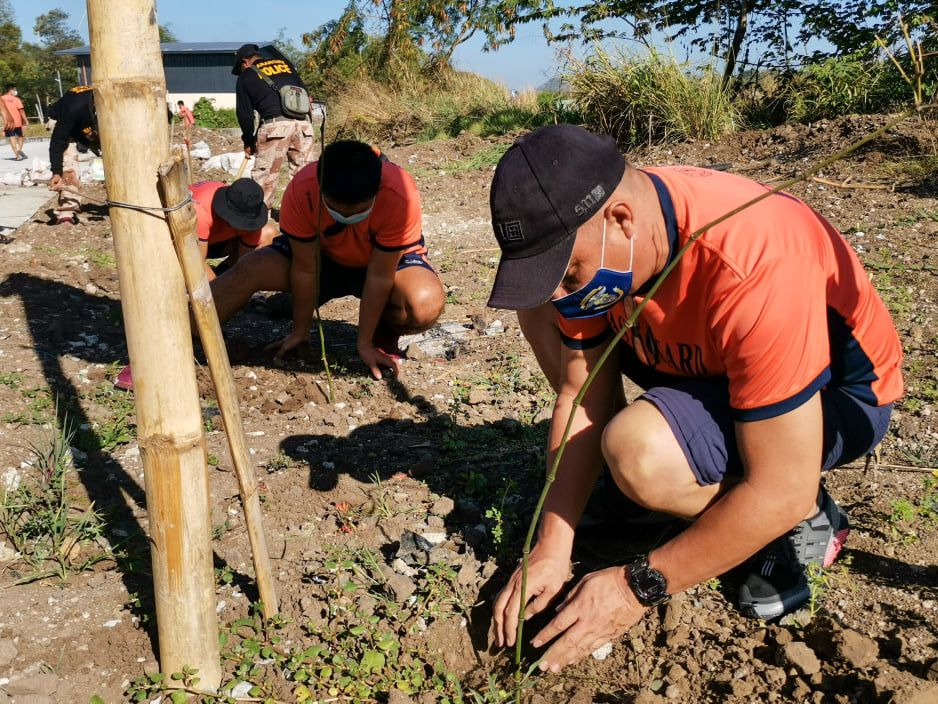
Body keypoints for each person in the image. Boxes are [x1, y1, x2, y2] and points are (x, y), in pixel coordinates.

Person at [487, 124, 903, 673]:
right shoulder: (621, 241)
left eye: (570, 271)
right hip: (711, 362)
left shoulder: (754, 263)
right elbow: (581, 394)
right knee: (537, 305)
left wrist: (638, 587)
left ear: (619, 220)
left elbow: (780, 485)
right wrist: (551, 545)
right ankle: (662, 480)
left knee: (641, 454)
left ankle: (802, 516)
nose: (567, 292)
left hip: (833, 397)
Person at [208, 139, 445, 380]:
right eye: (337, 210)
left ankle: (382, 332)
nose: (346, 217)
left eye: (358, 212)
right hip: (321, 262)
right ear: (321, 189)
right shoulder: (302, 188)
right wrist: (300, 330)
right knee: (251, 266)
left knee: (424, 303)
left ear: (376, 190)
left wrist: (363, 343)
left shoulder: (399, 192)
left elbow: (380, 275)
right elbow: (304, 268)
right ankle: (195, 332)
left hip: (380, 265)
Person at [232, 43, 318, 209]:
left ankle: (261, 222)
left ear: (245, 62)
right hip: (303, 124)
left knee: (266, 179)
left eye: (240, 68)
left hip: (275, 127)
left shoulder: (246, 76)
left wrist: (249, 140)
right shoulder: (286, 65)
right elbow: (305, 94)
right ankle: (306, 219)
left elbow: (244, 114)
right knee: (305, 176)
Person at [189, 178, 277, 280]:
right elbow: (197, 261)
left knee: (268, 234)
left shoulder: (250, 207)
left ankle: (223, 272)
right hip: (189, 246)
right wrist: (216, 288)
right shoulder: (199, 211)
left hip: (221, 241)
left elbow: (245, 260)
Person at [46, 85, 99, 225]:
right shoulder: (72, 110)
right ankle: (66, 212)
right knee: (68, 166)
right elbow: (58, 142)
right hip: (63, 125)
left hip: (86, 124)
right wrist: (56, 172)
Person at [1, 86, 27, 160]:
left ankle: (17, 156)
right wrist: (25, 120)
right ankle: (20, 150)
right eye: (15, 90)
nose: (16, 92)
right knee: (20, 136)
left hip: (8, 123)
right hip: (17, 121)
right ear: (12, 90)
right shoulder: (16, 99)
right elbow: (21, 110)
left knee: (12, 138)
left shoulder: (1, 99)